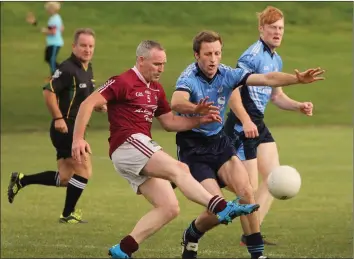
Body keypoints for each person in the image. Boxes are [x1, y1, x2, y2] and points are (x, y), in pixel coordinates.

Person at [71, 40, 260, 259]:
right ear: (141, 60)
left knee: (170, 207)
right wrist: (78, 139)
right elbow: (87, 104)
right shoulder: (122, 81)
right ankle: (222, 207)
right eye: (156, 64)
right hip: (127, 143)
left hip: (138, 153)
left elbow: (170, 122)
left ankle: (123, 250)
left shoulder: (156, 90)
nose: (161, 69)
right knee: (179, 168)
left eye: (163, 64)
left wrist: (200, 120)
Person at [170, 30, 324, 259]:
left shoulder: (227, 74)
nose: (213, 59)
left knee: (246, 192)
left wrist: (297, 80)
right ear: (196, 55)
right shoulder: (188, 77)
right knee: (218, 207)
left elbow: (267, 79)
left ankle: (257, 254)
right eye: (208, 54)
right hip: (193, 149)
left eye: (217, 53)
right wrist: (195, 109)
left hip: (219, 143)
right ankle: (192, 234)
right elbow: (177, 101)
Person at [224, 6, 315, 246]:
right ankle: (218, 208)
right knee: (247, 188)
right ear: (261, 29)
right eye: (273, 27)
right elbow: (232, 89)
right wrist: (244, 121)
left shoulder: (276, 58)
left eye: (281, 28)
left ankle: (251, 234)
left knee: (273, 178)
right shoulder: (252, 55)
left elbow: (276, 97)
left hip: (258, 123)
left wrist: (298, 106)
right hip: (242, 125)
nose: (277, 32)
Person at [7, 28, 102, 224]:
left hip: (76, 128)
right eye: (83, 45)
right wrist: (58, 118)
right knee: (84, 171)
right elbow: (48, 92)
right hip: (65, 127)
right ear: (73, 46)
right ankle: (68, 213)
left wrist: (99, 105)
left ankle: (22, 180)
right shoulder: (67, 68)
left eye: (91, 46)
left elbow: (87, 97)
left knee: (67, 177)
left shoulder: (87, 68)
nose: (87, 49)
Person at [26, 1, 64, 81]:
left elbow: (52, 32)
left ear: (53, 9)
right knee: (48, 58)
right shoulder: (56, 17)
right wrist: (36, 24)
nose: (47, 10)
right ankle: (62, 72)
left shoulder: (54, 19)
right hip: (52, 43)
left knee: (51, 60)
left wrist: (44, 31)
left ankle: (54, 77)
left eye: (48, 9)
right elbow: (61, 28)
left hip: (55, 43)